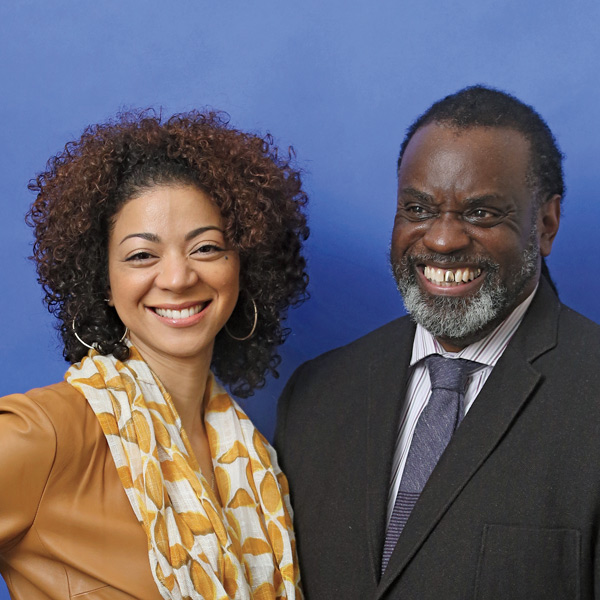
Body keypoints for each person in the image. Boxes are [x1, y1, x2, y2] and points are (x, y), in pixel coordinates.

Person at [275, 85, 600, 600]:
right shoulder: (316, 396)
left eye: (482, 214)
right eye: (418, 208)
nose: (443, 240)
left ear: (546, 223)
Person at [0, 110, 308, 600]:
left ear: (243, 265)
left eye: (206, 248)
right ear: (103, 282)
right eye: (142, 255)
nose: (179, 277)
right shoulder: (46, 435)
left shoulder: (255, 459)